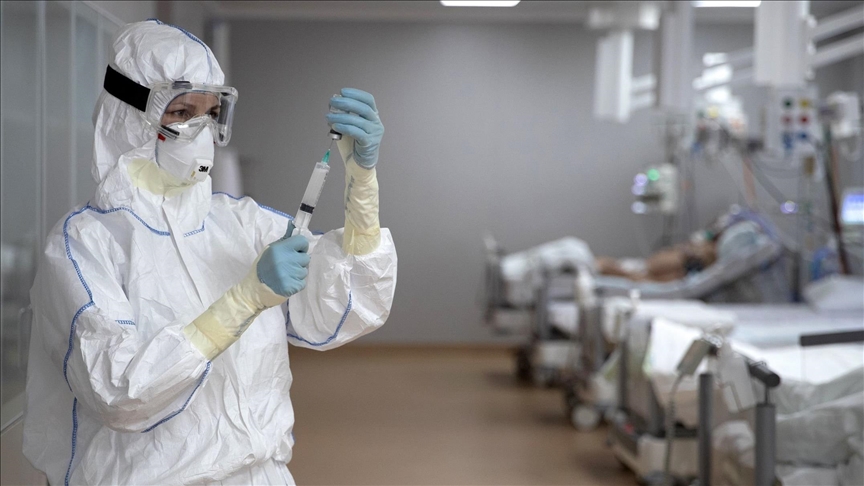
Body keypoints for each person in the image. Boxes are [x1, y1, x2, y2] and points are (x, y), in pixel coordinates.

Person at [23, 20, 397, 485]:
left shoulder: (240, 224)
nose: (201, 129)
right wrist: (245, 299)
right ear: (131, 117)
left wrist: (362, 182)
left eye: (212, 111)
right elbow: (119, 393)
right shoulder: (84, 244)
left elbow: (349, 302)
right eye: (182, 112)